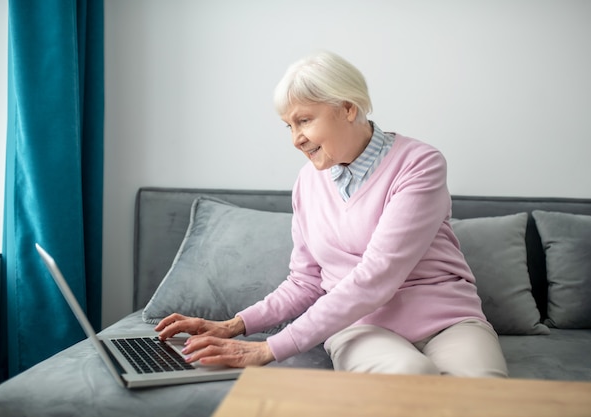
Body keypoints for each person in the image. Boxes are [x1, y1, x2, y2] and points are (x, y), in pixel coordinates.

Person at [156, 51, 509, 377]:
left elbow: (376, 276)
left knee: (481, 392)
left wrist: (270, 348)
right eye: (289, 126)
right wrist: (234, 325)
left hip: (448, 322)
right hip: (361, 327)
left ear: (347, 107)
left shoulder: (419, 165)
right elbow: (305, 282)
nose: (296, 138)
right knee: (408, 377)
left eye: (305, 120)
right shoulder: (307, 184)